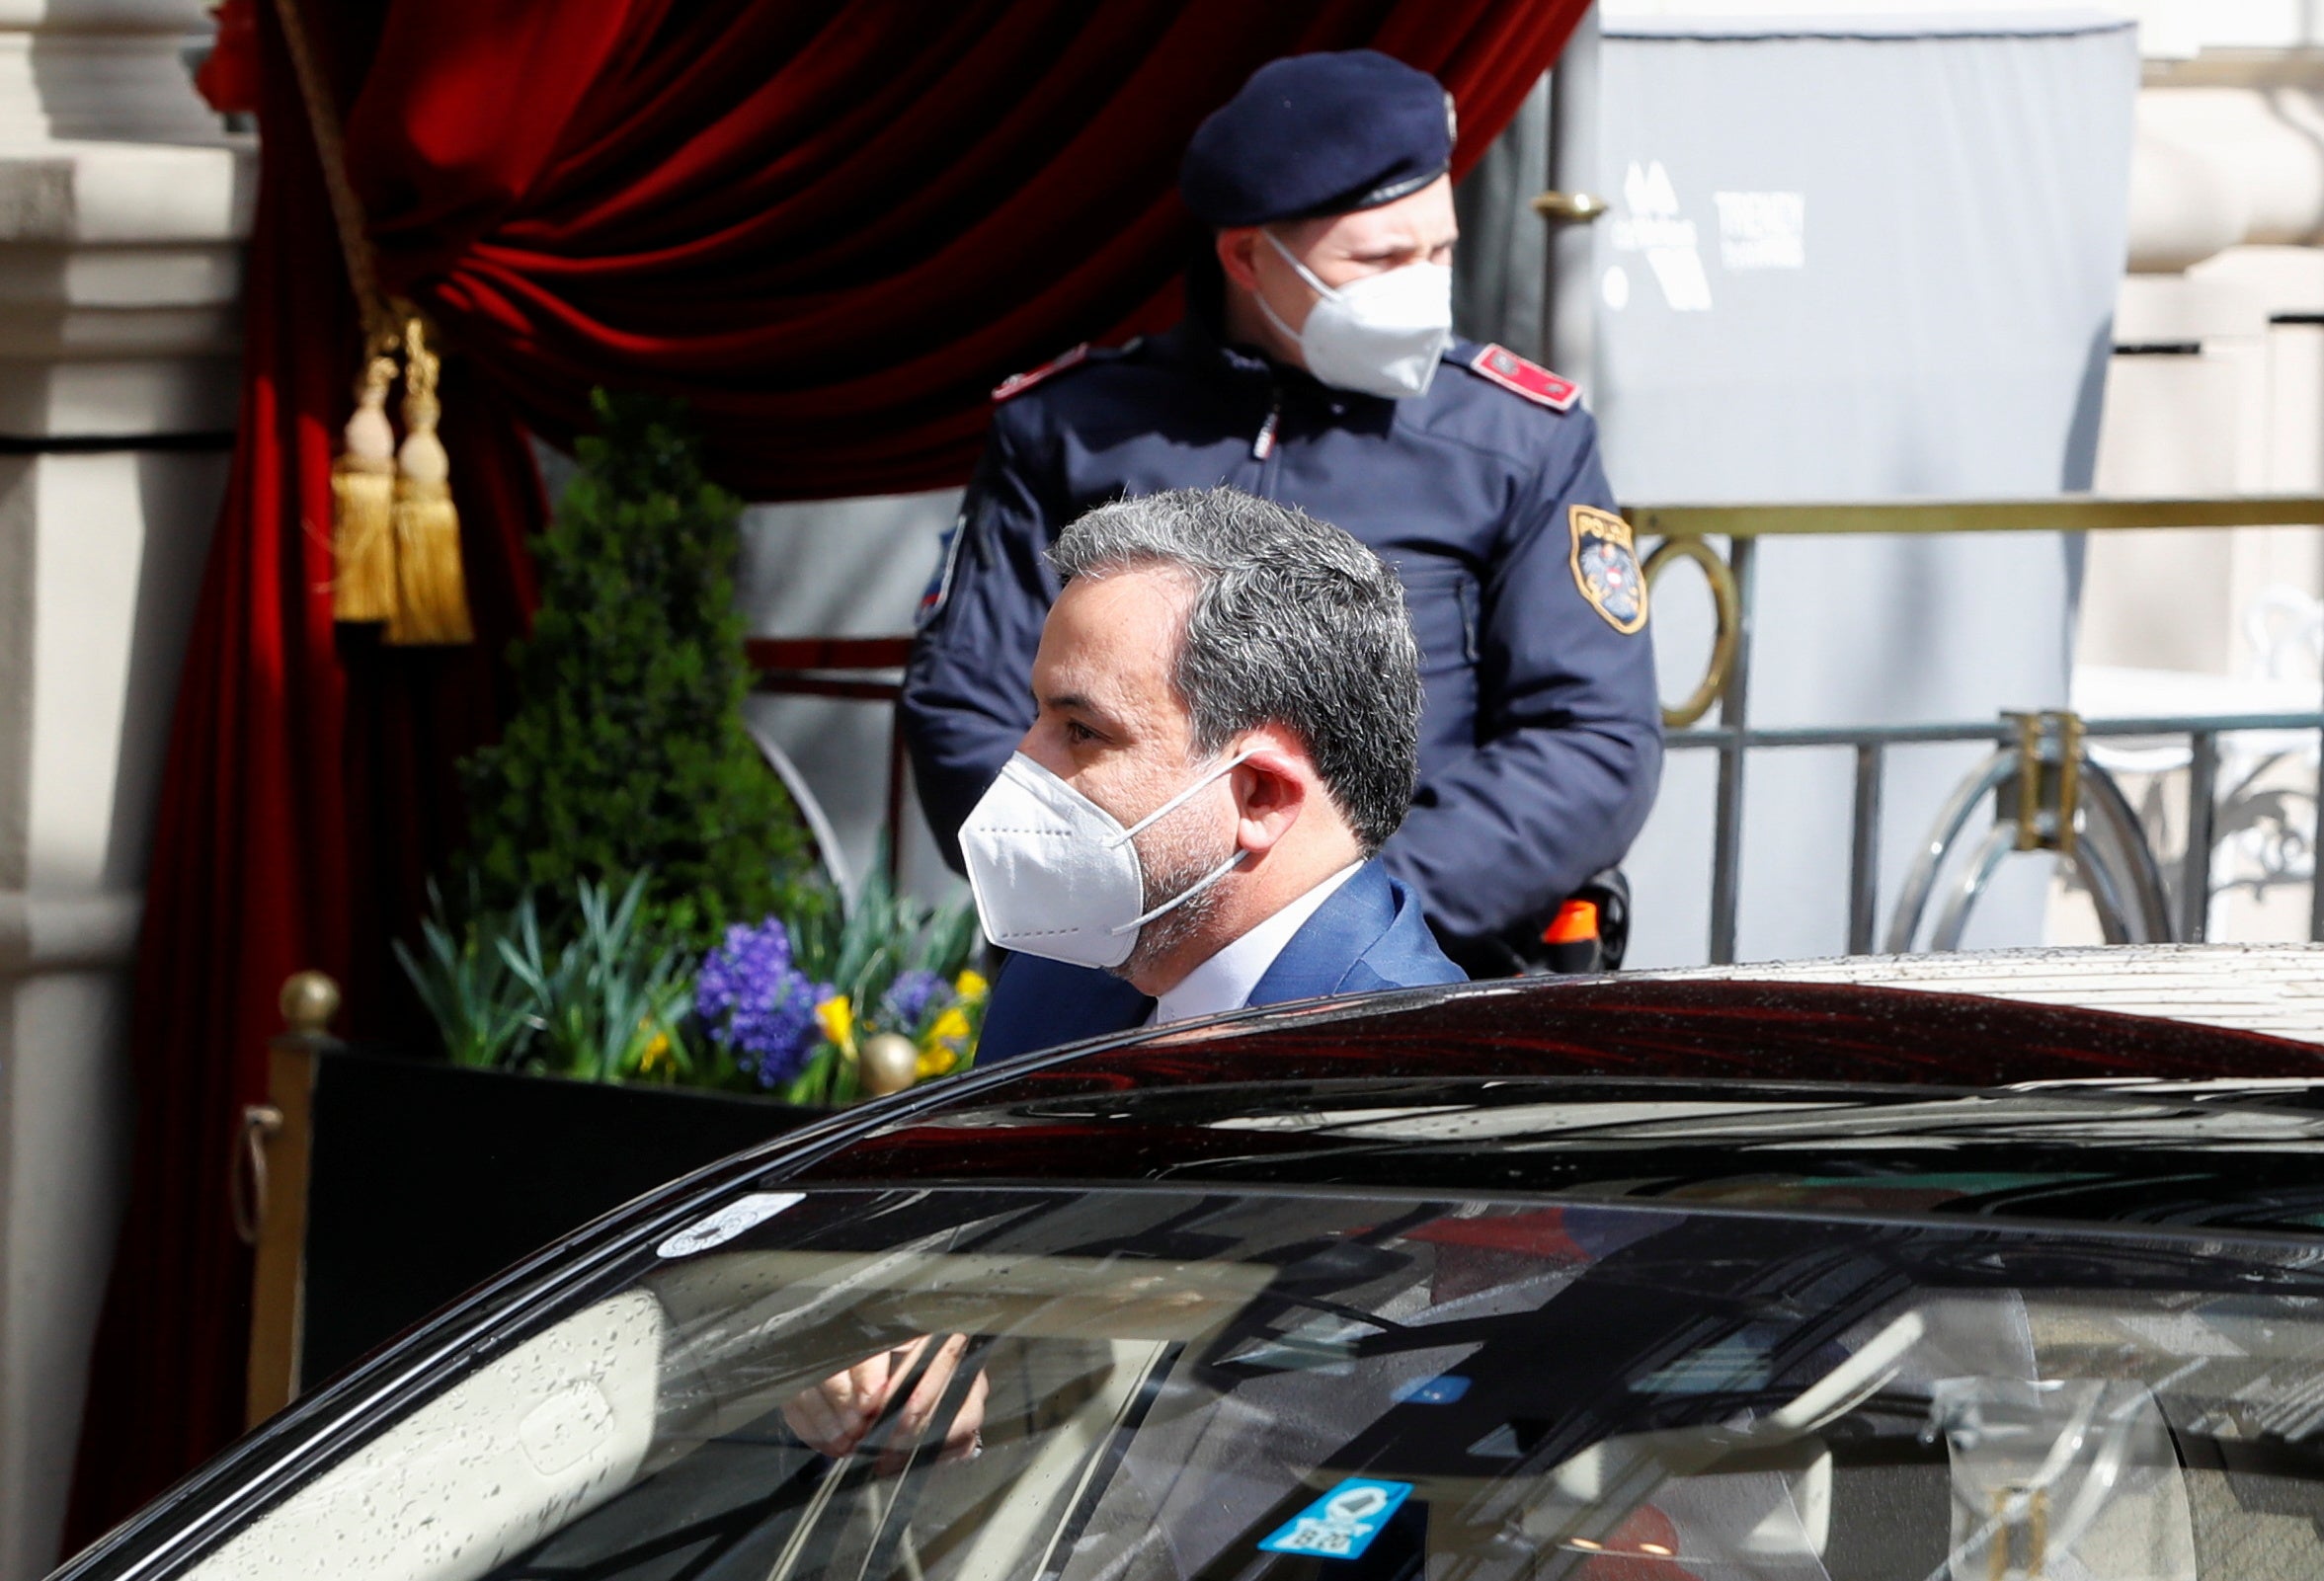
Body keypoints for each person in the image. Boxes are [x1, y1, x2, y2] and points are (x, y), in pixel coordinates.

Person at [901, 48, 1662, 975]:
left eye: (1440, 250)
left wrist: (1328, 916)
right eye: (1380, 257)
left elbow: (1588, 741)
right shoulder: (1071, 429)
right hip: (1104, 968)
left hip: (1413, 966)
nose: (1422, 283)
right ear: (1249, 257)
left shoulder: (1518, 441)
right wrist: (1121, 900)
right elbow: (961, 706)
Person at [964, 486, 1463, 1063]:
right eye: (1037, 716)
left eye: (1082, 731)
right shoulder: (1050, 982)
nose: (1021, 766)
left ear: (1261, 795)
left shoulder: (1411, 1064)